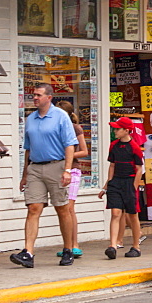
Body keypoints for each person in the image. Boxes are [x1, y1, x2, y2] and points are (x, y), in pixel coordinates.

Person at [11, 83, 78, 269]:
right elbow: (27, 148)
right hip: (35, 167)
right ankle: (28, 252)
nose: (35, 98)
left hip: (56, 165)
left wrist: (67, 170)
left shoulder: (60, 116)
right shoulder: (31, 119)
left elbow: (70, 145)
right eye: (34, 94)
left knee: (62, 209)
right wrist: (24, 174)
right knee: (33, 208)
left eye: (39, 95)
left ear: (49, 97)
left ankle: (68, 249)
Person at [99, 117, 143, 260]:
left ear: (126, 130)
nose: (115, 131)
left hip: (129, 182)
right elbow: (112, 166)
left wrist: (134, 187)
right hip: (116, 182)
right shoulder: (113, 146)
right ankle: (112, 245)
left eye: (118, 129)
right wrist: (107, 185)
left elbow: (139, 169)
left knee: (132, 214)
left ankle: (136, 245)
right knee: (116, 212)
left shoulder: (134, 147)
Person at [54, 100, 88, 260]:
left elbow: (84, 151)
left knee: (69, 208)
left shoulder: (75, 128)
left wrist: (68, 155)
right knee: (64, 208)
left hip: (73, 170)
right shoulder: (55, 128)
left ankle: (75, 245)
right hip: (58, 169)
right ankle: (68, 244)